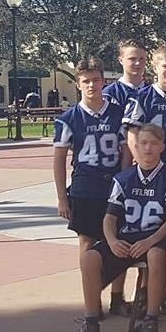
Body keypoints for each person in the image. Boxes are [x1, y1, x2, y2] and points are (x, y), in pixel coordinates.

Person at [62, 124, 166, 332]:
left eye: (154, 143)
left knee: (156, 255)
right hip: (127, 237)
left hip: (155, 238)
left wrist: (150, 240)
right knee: (89, 258)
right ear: (136, 147)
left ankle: (151, 320)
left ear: (162, 146)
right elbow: (110, 217)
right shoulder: (123, 178)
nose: (148, 148)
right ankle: (91, 323)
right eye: (143, 143)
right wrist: (112, 240)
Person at [53, 57, 129, 317]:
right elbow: (59, 159)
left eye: (96, 80)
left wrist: (124, 180)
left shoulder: (118, 113)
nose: (91, 85)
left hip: (113, 184)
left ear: (103, 81)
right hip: (85, 186)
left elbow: (126, 151)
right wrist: (62, 197)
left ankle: (117, 297)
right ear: (78, 84)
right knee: (86, 241)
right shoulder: (69, 118)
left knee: (118, 241)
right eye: (86, 81)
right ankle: (92, 301)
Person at [123, 45, 166, 172]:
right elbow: (132, 135)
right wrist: (143, 163)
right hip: (149, 165)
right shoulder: (141, 97)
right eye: (165, 66)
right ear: (155, 67)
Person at [104, 39, 148, 109]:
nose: (138, 63)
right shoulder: (110, 94)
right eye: (132, 59)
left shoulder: (154, 92)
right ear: (121, 60)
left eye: (141, 59)